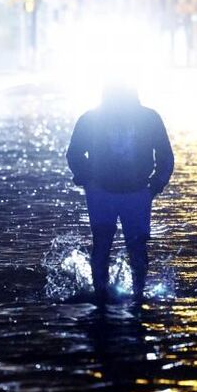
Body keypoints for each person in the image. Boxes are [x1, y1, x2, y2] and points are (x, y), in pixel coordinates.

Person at [66, 84, 174, 305]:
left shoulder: (92, 118)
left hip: (115, 192)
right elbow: (74, 154)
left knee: (110, 243)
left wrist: (154, 186)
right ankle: (135, 296)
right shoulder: (148, 118)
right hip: (123, 192)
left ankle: (106, 296)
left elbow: (74, 154)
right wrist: (154, 186)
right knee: (128, 244)